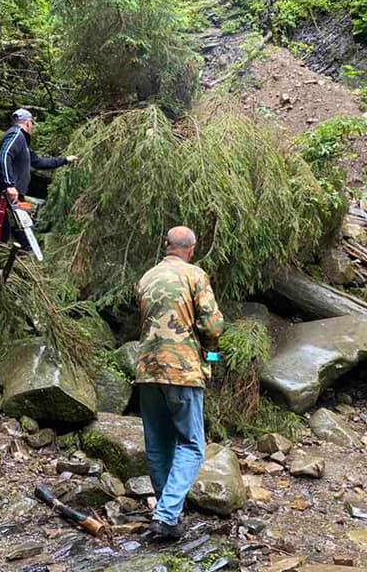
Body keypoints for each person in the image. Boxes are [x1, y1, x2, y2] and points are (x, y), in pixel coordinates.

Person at [134, 226, 224, 539]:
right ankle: (168, 514)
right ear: (192, 249)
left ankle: (166, 514)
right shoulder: (194, 275)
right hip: (182, 371)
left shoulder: (146, 278)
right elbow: (213, 327)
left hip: (147, 371)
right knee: (192, 445)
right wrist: (212, 361)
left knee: (158, 445)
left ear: (166, 246)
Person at [0, 108, 78, 243]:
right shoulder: (15, 135)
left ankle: (22, 257)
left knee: (23, 230)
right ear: (28, 123)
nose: (32, 128)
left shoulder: (23, 142)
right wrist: (9, 185)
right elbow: (4, 156)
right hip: (4, 194)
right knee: (2, 235)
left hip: (15, 195)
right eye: (32, 124)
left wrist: (65, 160)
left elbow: (39, 162)